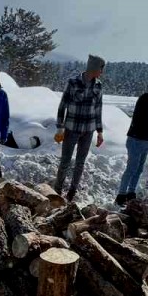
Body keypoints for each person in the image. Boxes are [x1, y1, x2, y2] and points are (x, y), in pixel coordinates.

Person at [54, 55, 106, 202]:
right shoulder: (73, 82)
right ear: (94, 68)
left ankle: (72, 191)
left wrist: (100, 131)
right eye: (101, 69)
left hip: (88, 130)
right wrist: (60, 127)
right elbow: (62, 106)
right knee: (65, 161)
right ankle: (57, 190)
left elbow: (98, 109)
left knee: (80, 163)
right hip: (72, 128)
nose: (102, 72)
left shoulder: (98, 86)